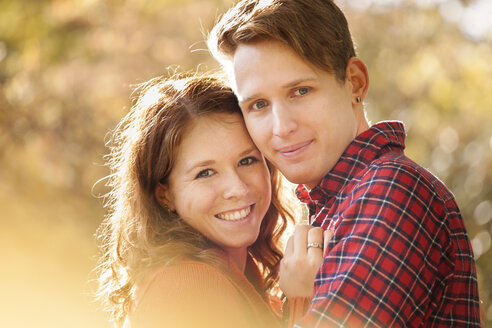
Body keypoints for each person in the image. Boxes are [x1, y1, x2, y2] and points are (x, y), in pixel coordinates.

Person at [208, 0, 482, 327]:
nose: (281, 127)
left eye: (300, 91)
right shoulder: (338, 203)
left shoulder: (390, 191)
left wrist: (300, 299)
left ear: (354, 82)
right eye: (258, 104)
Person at [95, 72, 326, 328]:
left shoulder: (242, 274)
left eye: (247, 160)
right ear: (165, 195)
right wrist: (303, 299)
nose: (237, 188)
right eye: (205, 173)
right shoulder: (188, 286)